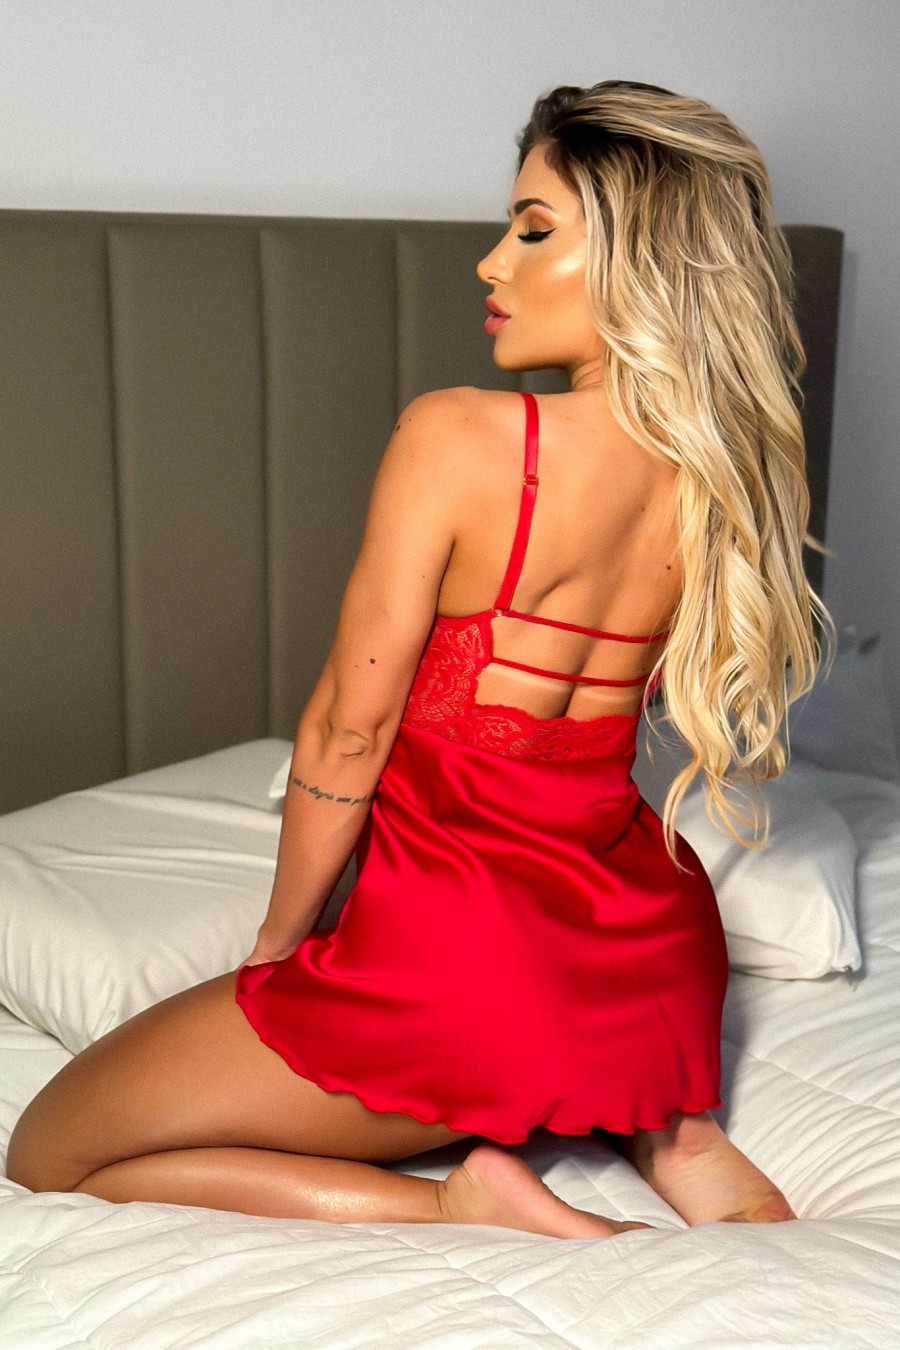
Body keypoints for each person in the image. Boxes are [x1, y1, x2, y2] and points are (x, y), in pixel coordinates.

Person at [8, 80, 835, 1240]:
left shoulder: (458, 436)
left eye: (533, 230)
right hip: (649, 959)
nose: (491, 264)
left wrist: (280, 954)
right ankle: (687, 1155)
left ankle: (452, 1196)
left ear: (640, 260)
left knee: (48, 1148)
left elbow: (349, 730)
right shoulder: (727, 477)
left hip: (460, 968)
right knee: (698, 1157)